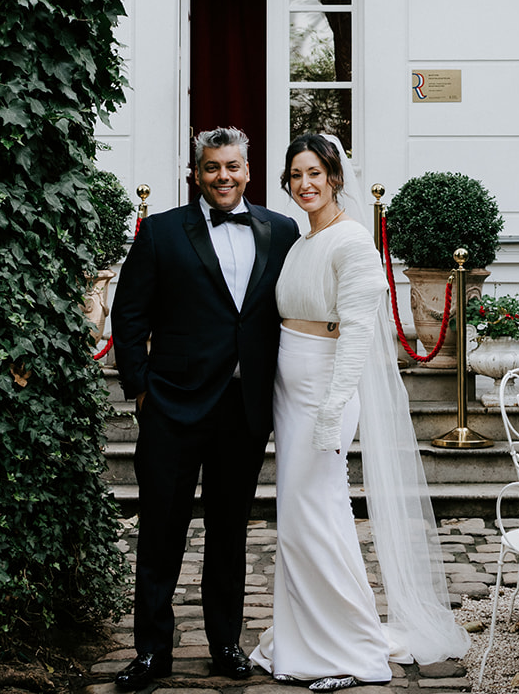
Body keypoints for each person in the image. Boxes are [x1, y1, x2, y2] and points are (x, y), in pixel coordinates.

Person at [251, 133, 468, 689]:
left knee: (321, 519)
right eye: (295, 175)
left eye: (314, 173)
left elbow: (356, 336)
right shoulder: (303, 241)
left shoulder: (352, 243)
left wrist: (333, 407)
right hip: (290, 394)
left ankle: (351, 651)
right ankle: (305, 639)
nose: (305, 184)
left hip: (325, 394)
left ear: (334, 178)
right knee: (297, 522)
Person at [112, 128, 300, 691]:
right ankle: (152, 653)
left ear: (248, 171)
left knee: (229, 531)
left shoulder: (283, 231)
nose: (224, 176)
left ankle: (225, 645)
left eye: (233, 166)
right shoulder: (161, 231)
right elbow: (129, 313)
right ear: (197, 173)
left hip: (243, 409)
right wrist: (140, 390)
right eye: (213, 167)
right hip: (172, 405)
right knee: (161, 530)